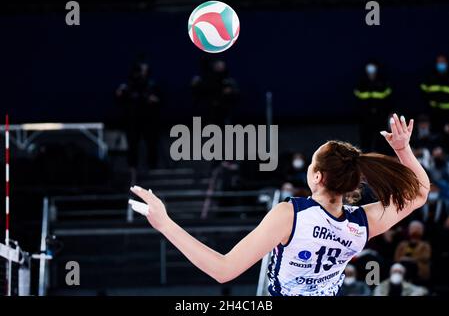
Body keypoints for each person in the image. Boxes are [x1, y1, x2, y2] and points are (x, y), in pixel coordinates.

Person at [130, 114, 430, 296]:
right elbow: (419, 194)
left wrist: (165, 223)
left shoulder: (291, 215)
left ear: (316, 176)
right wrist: (403, 151)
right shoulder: (363, 223)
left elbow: (223, 270)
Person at [116, 57, 162, 178]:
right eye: (140, 69)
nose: (142, 72)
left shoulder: (151, 84)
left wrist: (152, 99)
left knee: (151, 143)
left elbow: (158, 100)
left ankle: (152, 167)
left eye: (144, 69)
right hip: (132, 119)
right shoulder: (128, 85)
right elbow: (120, 98)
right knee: (132, 144)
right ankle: (133, 169)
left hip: (148, 119)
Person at [354, 60, 393, 152]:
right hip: (365, 117)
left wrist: (388, 112)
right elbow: (357, 99)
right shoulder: (361, 83)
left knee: (381, 140)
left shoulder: (383, 82)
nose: (371, 72)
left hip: (380, 116)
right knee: (365, 140)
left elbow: (389, 99)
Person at [420, 55, 449, 133]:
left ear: (447, 63)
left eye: (443, 62)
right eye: (439, 62)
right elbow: (423, 93)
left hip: (447, 114)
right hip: (433, 112)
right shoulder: (430, 77)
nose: (441, 64)